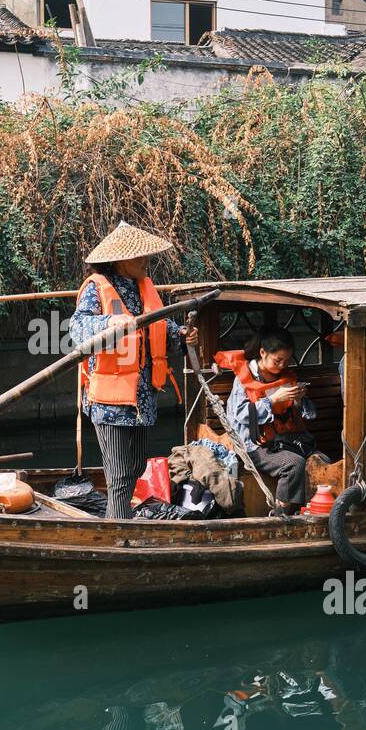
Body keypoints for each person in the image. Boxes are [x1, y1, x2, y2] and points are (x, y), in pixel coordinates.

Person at [68, 222, 196, 519]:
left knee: (136, 467)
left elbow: (159, 329)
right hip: (108, 401)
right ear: (121, 259)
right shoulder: (96, 287)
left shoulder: (144, 287)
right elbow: (77, 328)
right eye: (140, 257)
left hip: (141, 397)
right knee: (119, 475)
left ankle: (120, 520)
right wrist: (107, 324)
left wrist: (179, 336)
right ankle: (119, 532)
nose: (146, 262)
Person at [220, 326, 317, 514]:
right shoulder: (244, 379)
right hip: (254, 446)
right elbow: (240, 415)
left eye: (287, 361)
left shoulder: (286, 376)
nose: (282, 366)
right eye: (278, 360)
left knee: (321, 460)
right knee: (294, 464)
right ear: (263, 352)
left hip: (287, 440)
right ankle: (281, 514)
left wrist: (298, 399)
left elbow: (308, 415)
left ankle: (312, 511)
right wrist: (273, 399)